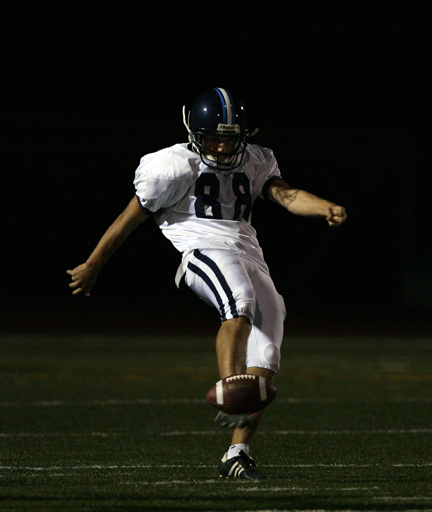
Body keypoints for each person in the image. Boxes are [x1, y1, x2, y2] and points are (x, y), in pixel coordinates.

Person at [67, 87, 347, 480]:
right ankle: (230, 384)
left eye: (230, 138)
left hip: (249, 252)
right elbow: (130, 217)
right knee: (240, 301)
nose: (221, 146)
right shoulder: (173, 165)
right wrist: (94, 263)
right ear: (194, 133)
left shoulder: (256, 158)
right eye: (214, 137)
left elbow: (286, 195)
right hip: (201, 250)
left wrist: (325, 208)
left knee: (269, 345)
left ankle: (237, 452)